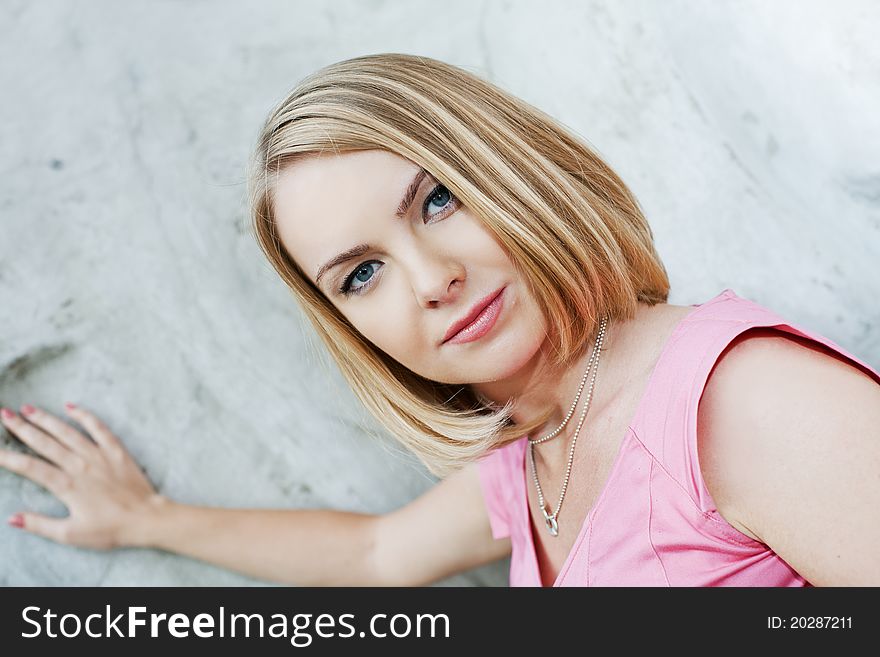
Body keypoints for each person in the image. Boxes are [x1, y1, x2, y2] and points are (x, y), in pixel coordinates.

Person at [1, 53, 878, 587]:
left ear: (510, 162)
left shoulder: (744, 404)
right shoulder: (538, 442)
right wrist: (145, 520)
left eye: (438, 199)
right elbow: (378, 554)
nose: (431, 280)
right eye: (363, 273)